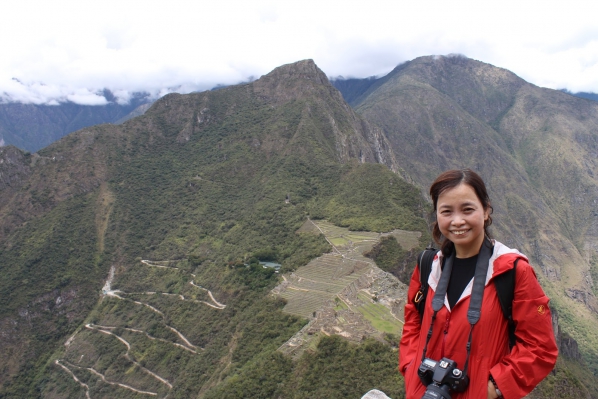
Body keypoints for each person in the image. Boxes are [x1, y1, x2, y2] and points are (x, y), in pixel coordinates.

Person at [399, 169, 558, 399]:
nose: (457, 221)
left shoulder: (512, 271)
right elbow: (413, 321)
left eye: (467, 209)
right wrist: (412, 369)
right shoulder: (429, 266)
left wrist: (494, 387)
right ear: (437, 216)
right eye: (446, 211)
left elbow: (540, 348)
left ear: (485, 210)